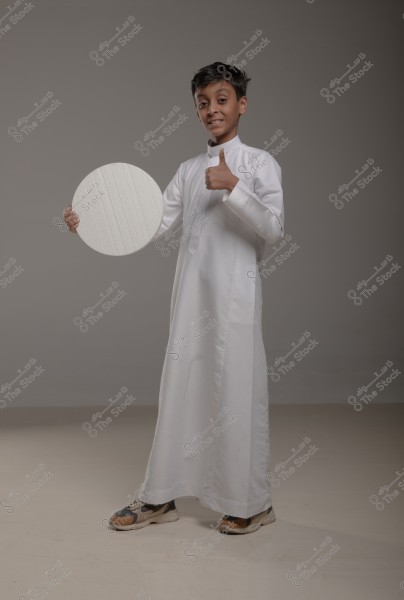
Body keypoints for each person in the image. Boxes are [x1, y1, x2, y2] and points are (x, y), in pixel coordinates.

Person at [64, 61, 284, 535]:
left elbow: (274, 229)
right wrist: (90, 222)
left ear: (242, 104)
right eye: (203, 103)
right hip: (190, 302)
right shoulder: (187, 171)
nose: (212, 110)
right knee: (180, 388)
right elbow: (149, 224)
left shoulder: (259, 164)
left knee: (236, 392)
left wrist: (235, 190)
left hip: (237, 303)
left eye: (221, 100)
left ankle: (252, 502)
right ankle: (160, 497)